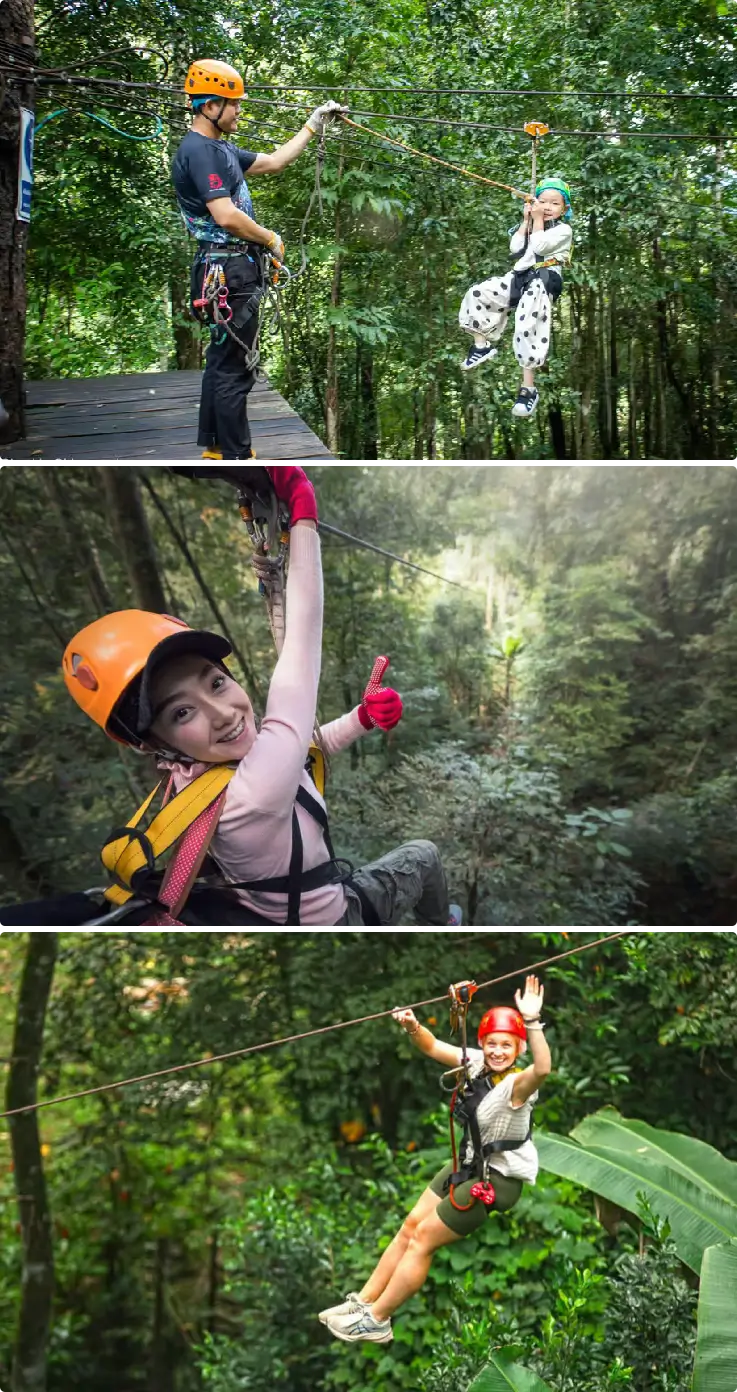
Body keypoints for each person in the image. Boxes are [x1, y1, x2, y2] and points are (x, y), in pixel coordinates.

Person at [63, 465, 462, 930]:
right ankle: (442, 928)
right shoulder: (252, 790)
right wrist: (303, 514)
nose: (223, 713)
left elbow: (306, 750)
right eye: (182, 711)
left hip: (284, 913)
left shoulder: (188, 775)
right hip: (336, 917)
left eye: (215, 683)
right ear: (153, 741)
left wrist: (362, 719)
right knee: (424, 854)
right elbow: (302, 642)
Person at [320, 974, 550, 1343]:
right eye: (491, 1043)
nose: (497, 1051)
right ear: (483, 1044)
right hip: (471, 1164)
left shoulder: (517, 1086)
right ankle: (363, 1302)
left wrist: (533, 1021)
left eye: (506, 1045)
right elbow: (434, 1047)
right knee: (410, 1225)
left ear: (518, 1047)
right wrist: (413, 1027)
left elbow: (543, 1069)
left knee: (423, 1238)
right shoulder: (478, 1063)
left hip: (497, 1180)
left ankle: (377, 1320)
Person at [172, 59, 346, 465]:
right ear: (210, 106)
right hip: (229, 269)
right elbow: (226, 215)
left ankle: (217, 443)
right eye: (233, 104)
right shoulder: (200, 151)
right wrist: (270, 238)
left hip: (223, 268)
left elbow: (273, 161)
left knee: (222, 360)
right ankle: (236, 457)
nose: (238, 111)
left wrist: (311, 126)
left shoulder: (220, 149)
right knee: (236, 367)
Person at [459, 179, 573, 419]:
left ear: (564, 209)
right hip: (520, 276)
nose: (548, 206)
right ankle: (481, 346)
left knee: (526, 325)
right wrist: (526, 221)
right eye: (542, 202)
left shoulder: (563, 230)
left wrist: (538, 219)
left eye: (554, 203)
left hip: (543, 279)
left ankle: (528, 389)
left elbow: (541, 246)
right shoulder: (534, 225)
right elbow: (515, 248)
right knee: (478, 292)